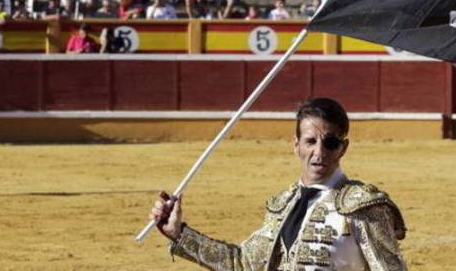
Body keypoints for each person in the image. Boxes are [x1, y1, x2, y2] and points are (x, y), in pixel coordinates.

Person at [149, 97, 407, 271]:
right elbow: (243, 263)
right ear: (296, 146)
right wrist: (179, 234)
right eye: (310, 141)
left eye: (330, 143)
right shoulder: (282, 205)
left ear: (343, 148)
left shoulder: (363, 207)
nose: (319, 152)